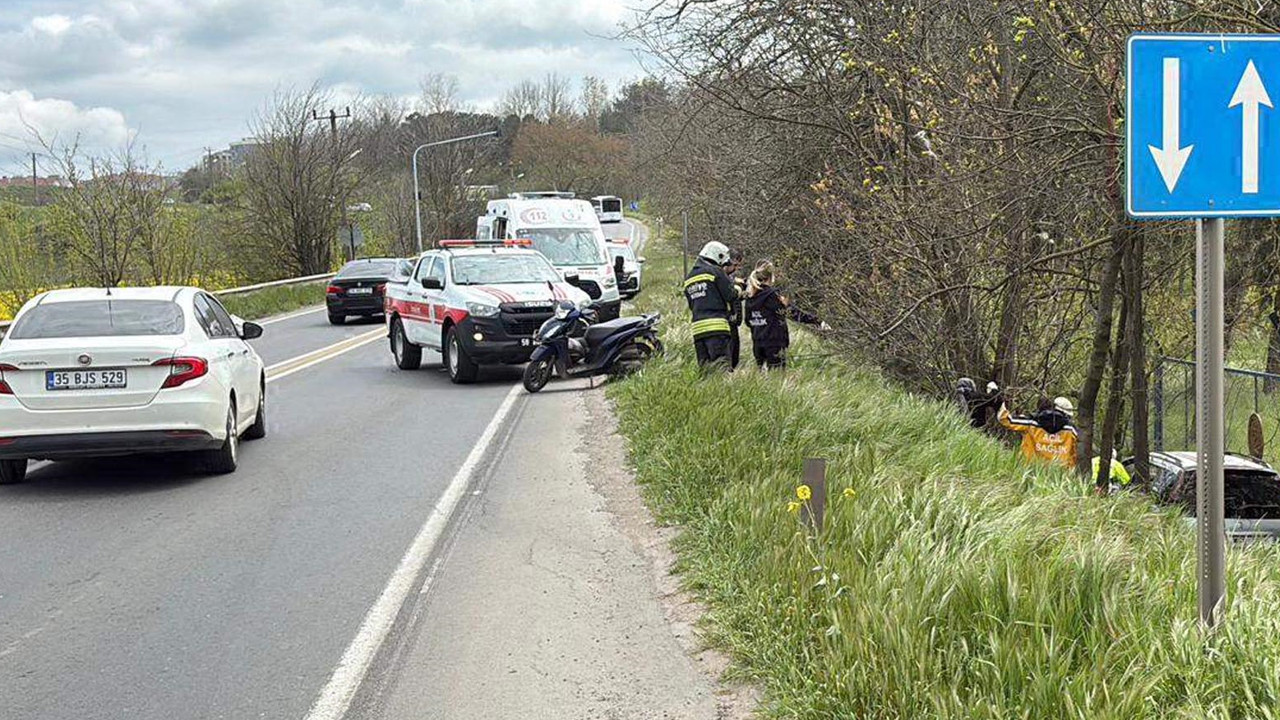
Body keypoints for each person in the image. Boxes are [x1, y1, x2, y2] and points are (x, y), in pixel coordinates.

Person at [743, 260, 828, 369]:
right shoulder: (772, 295)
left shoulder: (750, 296)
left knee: (762, 376)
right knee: (777, 375)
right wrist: (817, 321)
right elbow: (791, 313)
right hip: (774, 344)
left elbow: (748, 321)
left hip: (758, 344)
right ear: (771, 277)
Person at [683, 241, 739, 369]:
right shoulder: (715, 272)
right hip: (717, 329)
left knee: (706, 372)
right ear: (717, 256)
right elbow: (730, 295)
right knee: (721, 370)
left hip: (698, 331)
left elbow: (692, 305)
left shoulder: (689, 278)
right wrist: (739, 288)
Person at [996, 392, 1078, 469]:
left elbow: (1006, 420)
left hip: (1029, 472)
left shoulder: (1031, 423)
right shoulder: (1071, 430)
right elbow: (1080, 451)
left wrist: (997, 400)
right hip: (1060, 476)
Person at [726, 248, 746, 369]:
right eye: (735, 265)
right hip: (726, 323)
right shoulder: (723, 278)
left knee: (735, 356)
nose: (736, 268)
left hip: (734, 322)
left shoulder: (733, 278)